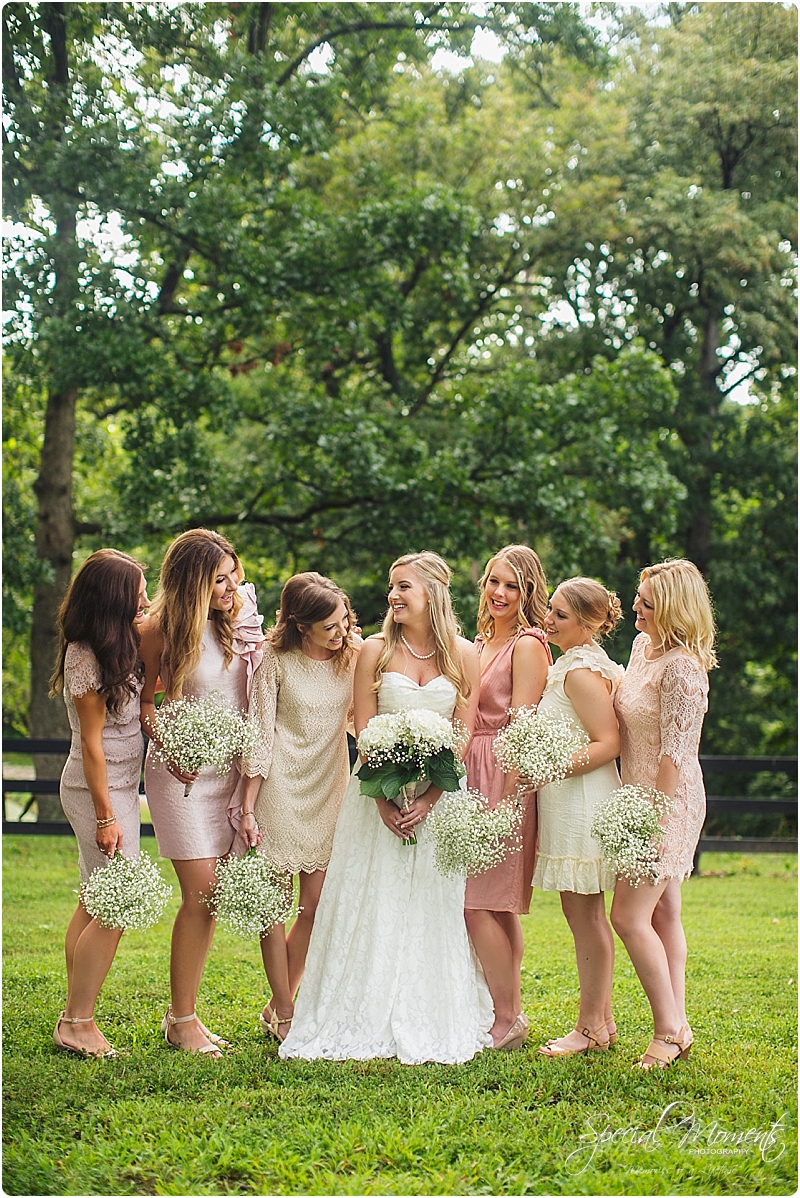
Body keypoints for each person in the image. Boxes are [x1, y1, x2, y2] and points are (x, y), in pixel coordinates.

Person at [279, 552, 492, 1064]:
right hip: (374, 799)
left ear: (433, 595)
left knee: (429, 905)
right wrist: (383, 800)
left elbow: (462, 734)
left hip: (439, 804)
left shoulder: (466, 654)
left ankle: (427, 1008)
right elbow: (366, 732)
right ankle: (354, 1006)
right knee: (370, 900)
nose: (393, 597)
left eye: (403, 588)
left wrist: (430, 796)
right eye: (391, 588)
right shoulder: (373, 650)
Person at [139, 529, 263, 1056]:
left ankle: (182, 1016)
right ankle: (182, 1019)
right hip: (181, 779)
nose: (233, 586)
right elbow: (145, 704)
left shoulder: (238, 616)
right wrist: (170, 746)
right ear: (193, 582)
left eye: (234, 574)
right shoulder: (160, 631)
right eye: (220, 580)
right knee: (203, 894)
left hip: (229, 774)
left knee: (208, 902)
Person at [239, 573, 360, 1041]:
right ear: (301, 624)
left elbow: (363, 717)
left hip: (330, 787)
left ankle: (277, 1001)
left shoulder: (352, 659)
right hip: (280, 791)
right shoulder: (274, 661)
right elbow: (258, 734)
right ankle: (287, 1008)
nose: (340, 632)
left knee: (315, 906)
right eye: (329, 626)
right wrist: (248, 807)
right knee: (273, 905)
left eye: (344, 622)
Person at [611, 559, 715, 1068]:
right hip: (636, 792)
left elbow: (676, 754)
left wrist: (652, 820)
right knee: (664, 912)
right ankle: (681, 1023)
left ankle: (666, 1030)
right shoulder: (640, 648)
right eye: (638, 596)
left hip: (665, 802)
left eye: (646, 603)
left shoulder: (683, 669)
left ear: (672, 609)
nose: (635, 606)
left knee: (627, 917)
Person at [50, 549, 150, 1058]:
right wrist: (107, 816)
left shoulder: (120, 642)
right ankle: (77, 1022)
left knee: (96, 900)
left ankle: (75, 1012)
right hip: (97, 793)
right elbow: (92, 746)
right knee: (119, 903)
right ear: (113, 597)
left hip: (122, 789)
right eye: (138, 591)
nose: (146, 600)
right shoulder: (85, 655)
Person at [463, 545, 551, 1051]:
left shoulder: (528, 644)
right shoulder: (479, 642)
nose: (499, 592)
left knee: (478, 904)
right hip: (470, 770)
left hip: (503, 773)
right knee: (493, 906)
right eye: (493, 581)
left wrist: (509, 797)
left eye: (512, 585)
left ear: (529, 592)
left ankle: (506, 1017)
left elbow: (523, 725)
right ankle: (508, 1012)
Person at [533, 578, 625, 1056]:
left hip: (583, 801)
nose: (549, 619)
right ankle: (602, 1022)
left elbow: (609, 743)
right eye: (550, 609)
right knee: (583, 914)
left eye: (561, 615)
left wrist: (547, 764)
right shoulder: (575, 664)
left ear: (588, 623)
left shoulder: (581, 673)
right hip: (570, 798)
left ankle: (589, 1027)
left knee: (584, 915)